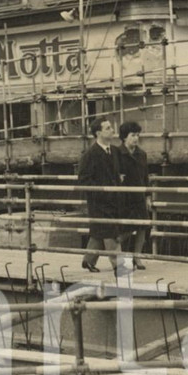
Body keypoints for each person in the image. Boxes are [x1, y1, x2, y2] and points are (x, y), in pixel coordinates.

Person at [77, 116, 123, 273]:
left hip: (114, 199)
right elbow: (83, 179)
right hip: (99, 200)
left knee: (99, 231)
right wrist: (100, 190)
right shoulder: (90, 154)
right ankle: (119, 264)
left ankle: (88, 260)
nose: (112, 130)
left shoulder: (114, 151)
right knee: (111, 231)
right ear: (98, 133)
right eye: (108, 128)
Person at [116, 121, 150, 270]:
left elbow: (146, 177)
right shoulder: (116, 153)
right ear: (124, 137)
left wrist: (147, 195)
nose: (136, 138)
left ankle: (138, 256)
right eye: (132, 135)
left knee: (143, 226)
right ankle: (121, 257)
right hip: (123, 197)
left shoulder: (142, 154)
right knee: (125, 229)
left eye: (137, 135)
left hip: (139, 196)